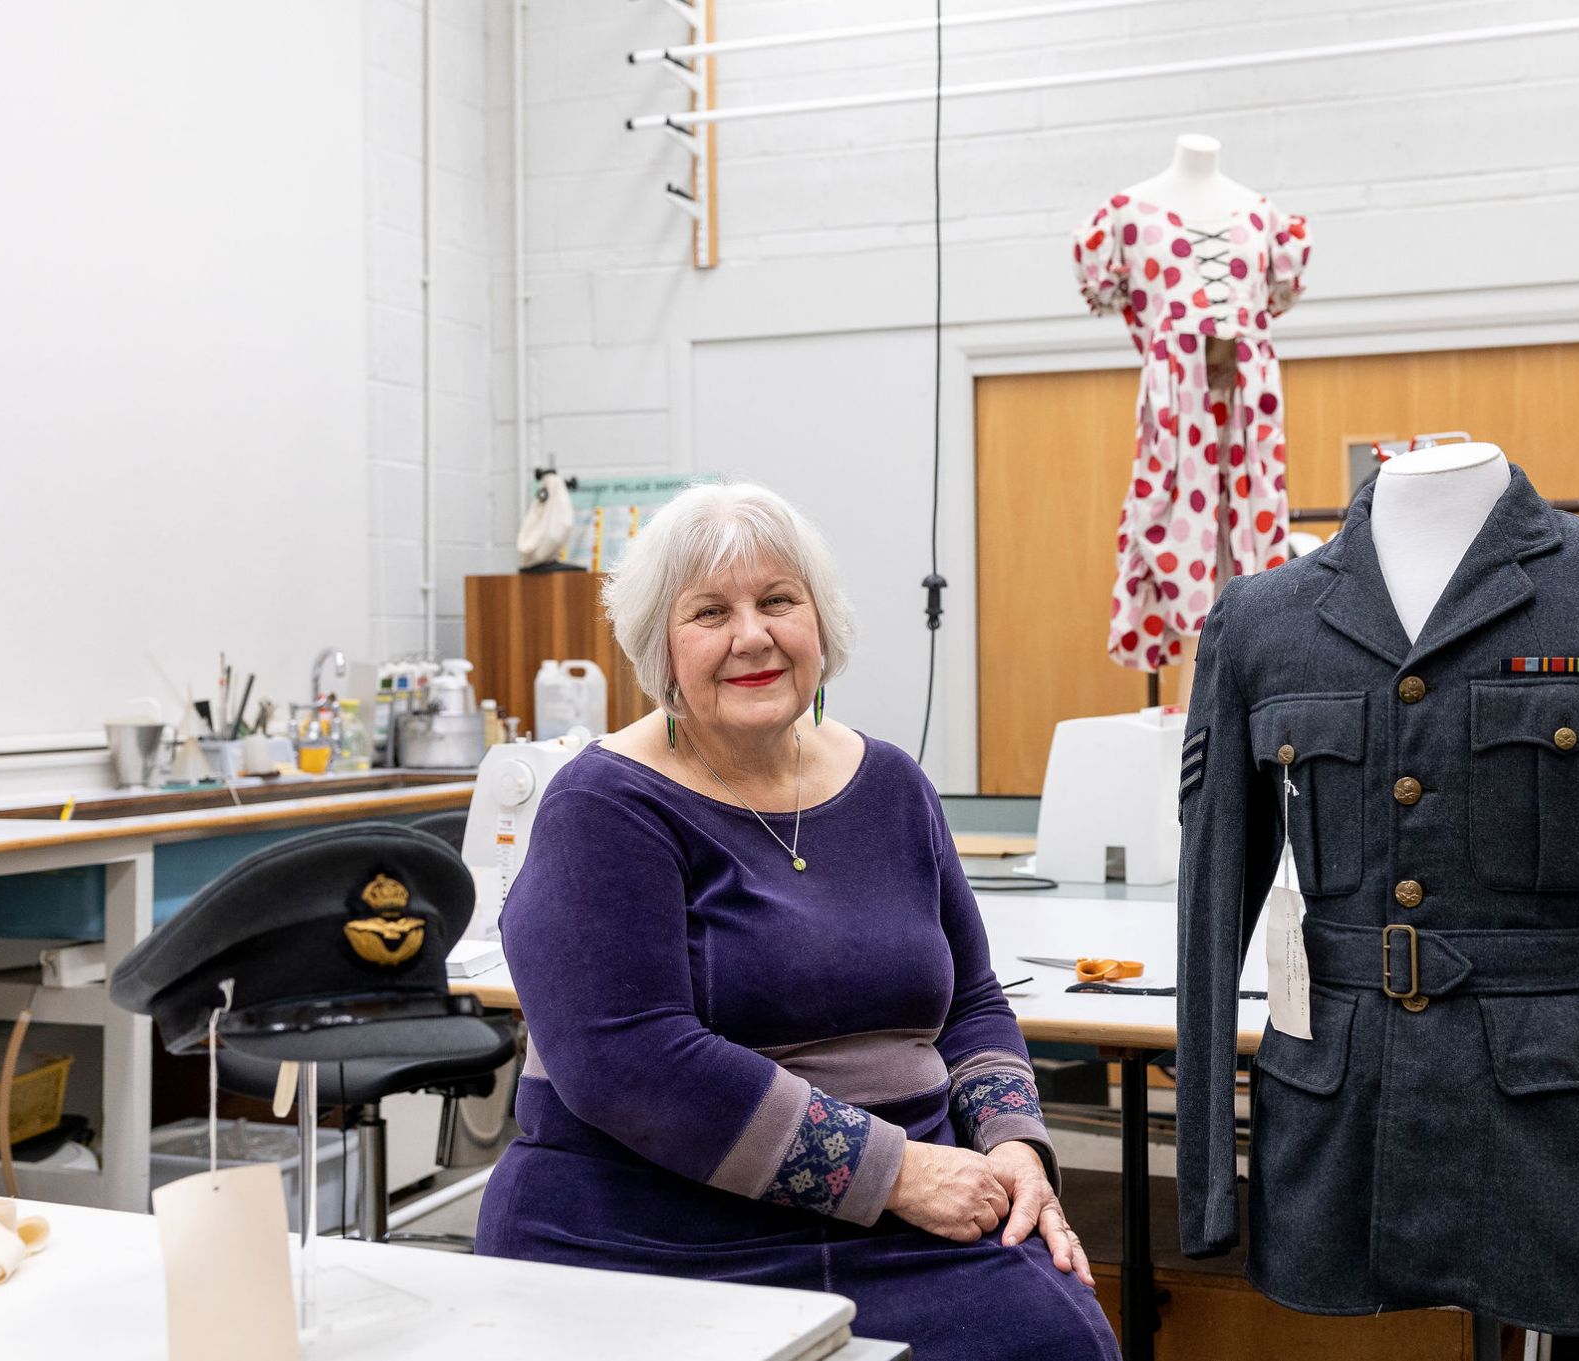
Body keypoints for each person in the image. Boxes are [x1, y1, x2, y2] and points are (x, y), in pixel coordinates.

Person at [477, 482, 1118, 1361]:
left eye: (779, 600)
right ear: (659, 645)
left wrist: (1014, 1147)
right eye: (709, 612)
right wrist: (898, 1172)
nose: (753, 635)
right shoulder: (605, 803)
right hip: (657, 1236)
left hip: (894, 1231)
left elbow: (970, 999)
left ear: (821, 623)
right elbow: (631, 1061)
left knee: (1059, 1339)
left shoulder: (892, 783)